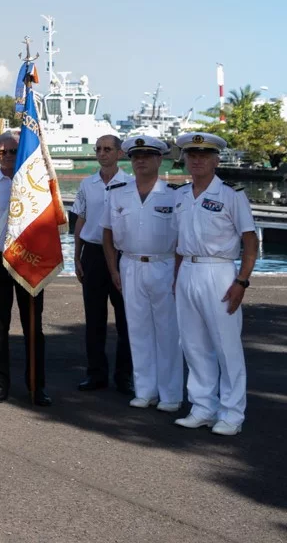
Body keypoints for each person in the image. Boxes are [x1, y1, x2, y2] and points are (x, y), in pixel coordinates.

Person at [171, 132, 258, 436]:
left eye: (204, 156)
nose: (197, 161)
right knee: (193, 344)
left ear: (216, 160)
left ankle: (232, 415)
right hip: (187, 271)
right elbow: (179, 242)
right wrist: (176, 279)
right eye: (192, 155)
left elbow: (250, 241)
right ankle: (203, 407)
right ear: (185, 159)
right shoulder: (180, 195)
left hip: (219, 271)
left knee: (226, 346)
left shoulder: (232, 194)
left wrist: (242, 281)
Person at [97, 135, 180, 412]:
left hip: (164, 264)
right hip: (130, 264)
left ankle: (170, 395)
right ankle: (145, 390)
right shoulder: (117, 193)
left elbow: (183, 237)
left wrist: (178, 273)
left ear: (159, 159)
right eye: (136, 156)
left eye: (147, 156)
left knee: (167, 332)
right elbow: (107, 234)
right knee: (138, 330)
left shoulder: (174, 195)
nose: (141, 161)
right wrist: (113, 269)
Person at [0, 130, 50, 406]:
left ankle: (36, 386)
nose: (6, 156)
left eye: (13, 151)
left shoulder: (35, 183)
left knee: (33, 327)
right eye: (2, 151)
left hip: (29, 259)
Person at [70, 132, 133, 393]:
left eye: (107, 149)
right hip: (93, 254)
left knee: (126, 319)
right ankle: (96, 374)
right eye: (98, 149)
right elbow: (81, 219)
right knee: (94, 318)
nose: (102, 153)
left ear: (119, 153)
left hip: (121, 254)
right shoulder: (88, 184)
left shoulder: (130, 184)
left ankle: (124, 376)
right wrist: (76, 255)